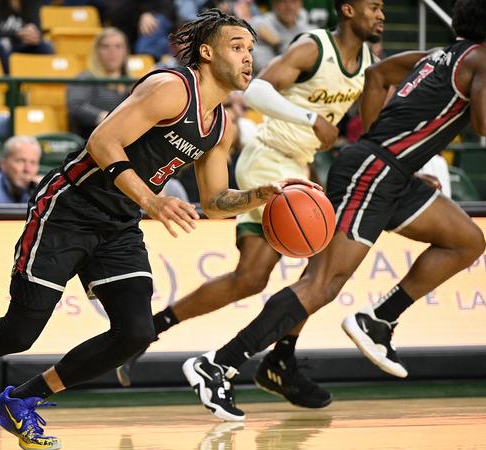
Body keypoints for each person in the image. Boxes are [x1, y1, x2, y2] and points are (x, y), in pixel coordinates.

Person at [0, 9, 316, 448]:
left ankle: (21, 402)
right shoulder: (171, 89)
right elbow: (102, 141)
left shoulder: (221, 126)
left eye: (251, 50)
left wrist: (262, 194)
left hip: (119, 225)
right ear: (206, 52)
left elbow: (214, 202)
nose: (248, 58)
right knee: (19, 332)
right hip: (69, 208)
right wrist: (152, 200)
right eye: (237, 47)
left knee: (136, 332)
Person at [180, 0, 486, 421]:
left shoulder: (440, 56)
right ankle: (218, 363)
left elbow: (378, 75)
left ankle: (378, 321)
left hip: (390, 172)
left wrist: (383, 144)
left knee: (467, 240)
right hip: (374, 172)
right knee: (323, 283)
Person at [117, 0, 383, 410]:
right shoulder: (315, 47)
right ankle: (275, 359)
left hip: (298, 163)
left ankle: (152, 331)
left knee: (251, 279)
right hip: (269, 157)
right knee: (324, 265)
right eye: (375, 6)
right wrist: (311, 121)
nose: (381, 15)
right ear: (348, 10)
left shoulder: (369, 60)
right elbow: (257, 87)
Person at [66, 27, 131, 139]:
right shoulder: (86, 78)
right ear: (97, 51)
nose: (112, 51)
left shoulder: (131, 82)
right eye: (106, 46)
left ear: (126, 51)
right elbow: (76, 107)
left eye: (118, 46)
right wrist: (106, 118)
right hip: (91, 140)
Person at [0, 0, 53, 74]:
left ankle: (44, 85)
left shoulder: (32, 2)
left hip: (18, 43)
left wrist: (34, 36)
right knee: (4, 44)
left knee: (45, 46)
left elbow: (37, 29)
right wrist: (18, 34)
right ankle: (11, 86)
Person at [250, 0, 313, 71]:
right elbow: (254, 26)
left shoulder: (307, 30)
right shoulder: (262, 23)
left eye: (294, 2)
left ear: (300, 4)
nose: (289, 7)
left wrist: (278, 44)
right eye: (283, 2)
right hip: (264, 78)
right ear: (274, 4)